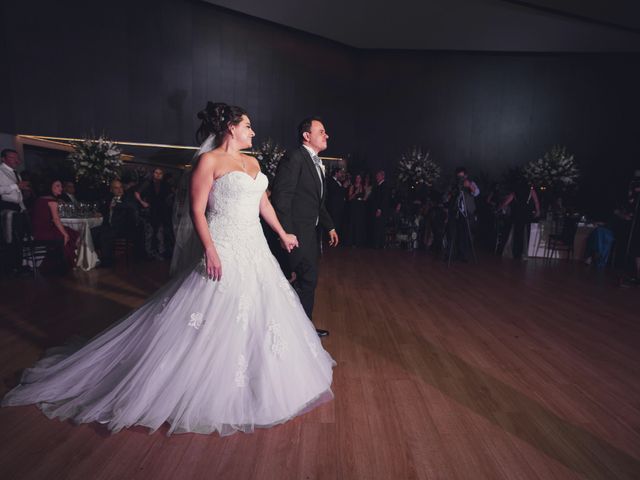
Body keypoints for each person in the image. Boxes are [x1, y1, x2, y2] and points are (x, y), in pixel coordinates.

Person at [2, 102, 335, 436]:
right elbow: (197, 210)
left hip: (255, 248)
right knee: (214, 310)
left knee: (261, 309)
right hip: (224, 244)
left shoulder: (253, 162)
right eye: (248, 125)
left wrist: (282, 232)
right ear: (231, 128)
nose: (253, 131)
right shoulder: (209, 161)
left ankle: (259, 377)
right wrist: (210, 249)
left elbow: (263, 203)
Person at [270, 117, 339, 337]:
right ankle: (289, 330)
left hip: (310, 234)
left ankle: (303, 329)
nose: (326, 135)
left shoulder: (317, 163)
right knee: (295, 280)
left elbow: (316, 202)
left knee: (308, 280)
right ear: (306, 136)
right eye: (322, 131)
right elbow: (282, 197)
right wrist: (286, 232)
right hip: (296, 234)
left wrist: (330, 227)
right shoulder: (294, 157)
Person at [30, 179, 80, 272]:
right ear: (50, 187)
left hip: (38, 231)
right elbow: (56, 219)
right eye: (57, 186)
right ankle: (65, 264)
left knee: (71, 231)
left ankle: (65, 262)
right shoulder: (51, 200)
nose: (61, 188)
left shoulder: (41, 198)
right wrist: (65, 234)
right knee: (69, 235)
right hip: (44, 232)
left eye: (61, 186)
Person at [0, 149, 31, 273]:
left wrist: (23, 208)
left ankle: (18, 265)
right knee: (10, 238)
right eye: (12, 157)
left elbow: (18, 195)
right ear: (3, 159)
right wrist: (16, 186)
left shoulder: (15, 173)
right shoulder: (1, 171)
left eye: (16, 158)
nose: (16, 160)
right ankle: (11, 267)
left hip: (18, 209)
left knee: (18, 238)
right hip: (7, 209)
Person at [499, 178, 540, 260]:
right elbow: (536, 201)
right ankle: (523, 253)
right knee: (525, 234)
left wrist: (500, 207)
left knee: (517, 234)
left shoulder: (515, 192)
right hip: (526, 214)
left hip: (517, 214)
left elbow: (507, 201)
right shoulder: (531, 191)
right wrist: (538, 211)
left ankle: (516, 253)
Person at [445, 166, 480, 262]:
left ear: (466, 176)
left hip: (466, 212)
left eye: (462, 177)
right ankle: (450, 254)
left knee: (464, 234)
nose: (460, 179)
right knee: (452, 233)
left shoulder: (471, 183)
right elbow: (447, 197)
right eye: (458, 177)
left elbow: (476, 192)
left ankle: (462, 255)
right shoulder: (454, 185)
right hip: (455, 211)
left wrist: (469, 186)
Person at [370, 170, 390, 248]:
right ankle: (377, 244)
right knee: (377, 226)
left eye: (378, 176)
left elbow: (384, 199)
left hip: (381, 210)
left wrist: (379, 209)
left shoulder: (384, 186)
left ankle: (378, 244)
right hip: (377, 209)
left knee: (379, 227)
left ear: (382, 176)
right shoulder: (378, 186)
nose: (376, 177)